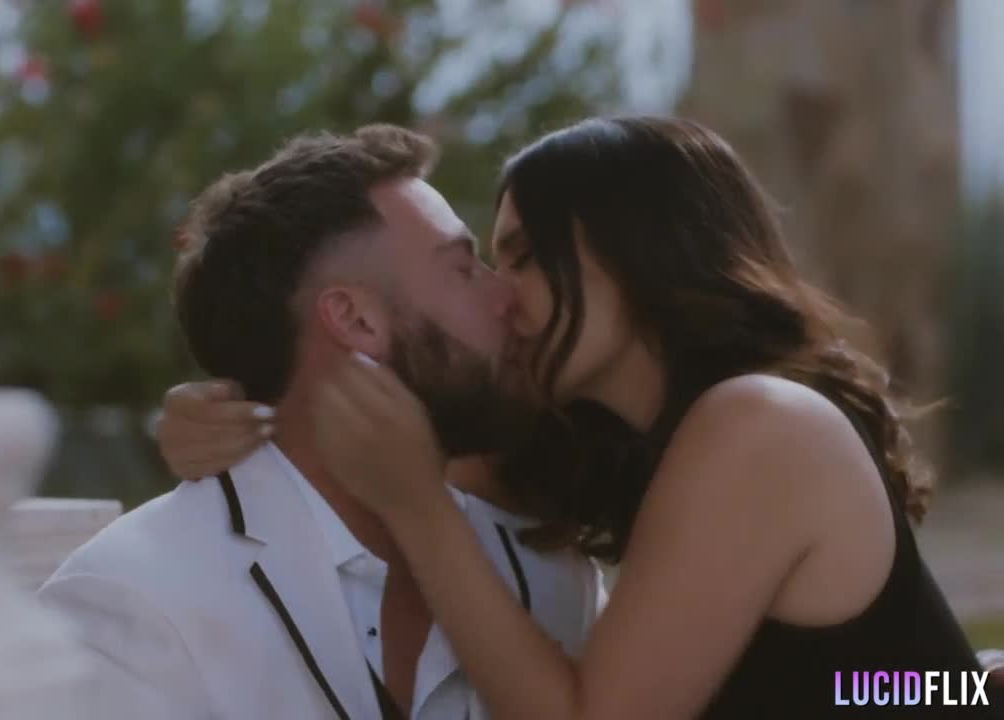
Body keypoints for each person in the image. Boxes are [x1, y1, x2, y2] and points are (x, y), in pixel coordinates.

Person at [154, 116, 1004, 718]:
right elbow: (346, 453)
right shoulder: (615, 443)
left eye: (525, 256)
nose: (501, 294)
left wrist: (419, 508)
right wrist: (230, 416)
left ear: (636, 253)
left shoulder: (760, 424)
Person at [39, 125, 605, 720]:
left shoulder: (552, 580)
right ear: (356, 320)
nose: (507, 297)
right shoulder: (134, 604)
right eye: (464, 269)